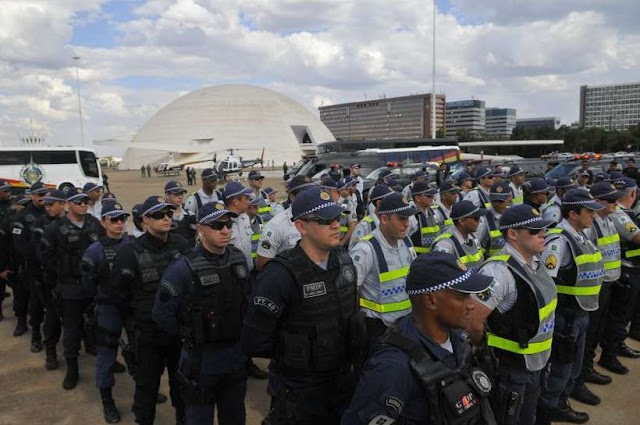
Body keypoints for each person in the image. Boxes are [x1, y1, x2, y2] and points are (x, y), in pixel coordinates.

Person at [242, 187, 362, 424]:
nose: (336, 225)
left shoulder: (345, 262)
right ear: (301, 227)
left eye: (337, 218)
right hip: (299, 391)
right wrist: (297, 351)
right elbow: (254, 339)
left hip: (342, 385)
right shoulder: (280, 275)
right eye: (325, 220)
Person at [342, 251, 497, 425]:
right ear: (431, 300)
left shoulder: (457, 338)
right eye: (462, 296)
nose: (471, 305)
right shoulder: (393, 367)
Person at [153, 202, 250, 425]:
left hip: (235, 357)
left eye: (228, 224)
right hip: (201, 361)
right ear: (201, 228)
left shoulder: (237, 258)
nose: (225, 230)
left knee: (235, 417)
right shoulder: (182, 268)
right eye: (217, 225)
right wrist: (190, 335)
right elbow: (162, 315)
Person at [469, 204, 556, 425]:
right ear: (513, 234)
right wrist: (488, 349)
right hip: (511, 367)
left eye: (543, 229)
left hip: (536, 362)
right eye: (534, 231)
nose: (542, 235)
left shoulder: (534, 262)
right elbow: (471, 322)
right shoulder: (498, 271)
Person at [106, 196, 191, 425]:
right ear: (144, 219)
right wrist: (136, 322)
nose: (165, 218)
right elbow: (118, 294)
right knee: (147, 388)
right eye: (158, 215)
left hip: (179, 332)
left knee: (182, 385)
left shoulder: (182, 245)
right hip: (148, 334)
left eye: (168, 214)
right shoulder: (130, 253)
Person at [538, 190, 605, 424]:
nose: (593, 216)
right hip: (565, 315)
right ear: (573, 213)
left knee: (574, 363)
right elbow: (546, 281)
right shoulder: (558, 242)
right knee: (561, 365)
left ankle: (566, 394)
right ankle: (552, 405)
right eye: (589, 212)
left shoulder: (580, 235)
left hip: (581, 312)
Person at [570, 183, 625, 407]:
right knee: (585, 335)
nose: (615, 204)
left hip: (603, 284)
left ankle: (586, 369)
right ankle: (579, 377)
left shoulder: (607, 221)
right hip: (588, 291)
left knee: (595, 332)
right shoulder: (587, 229)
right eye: (610, 201)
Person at [42, 187, 102, 390]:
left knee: (98, 325)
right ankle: (72, 369)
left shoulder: (94, 224)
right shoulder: (54, 228)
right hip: (70, 288)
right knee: (72, 331)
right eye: (79, 202)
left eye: (86, 201)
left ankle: (99, 353)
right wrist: (62, 275)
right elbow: (46, 258)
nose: (84, 204)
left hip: (93, 285)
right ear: (67, 205)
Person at [80, 202, 130, 423]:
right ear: (103, 222)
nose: (119, 223)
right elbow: (87, 285)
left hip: (132, 308)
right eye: (113, 219)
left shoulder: (133, 244)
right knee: (106, 357)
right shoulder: (94, 250)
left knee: (139, 353)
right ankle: (107, 402)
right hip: (108, 308)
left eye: (122, 219)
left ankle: (145, 392)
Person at [350, 192, 417, 351]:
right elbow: (350, 293)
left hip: (406, 325)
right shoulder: (365, 250)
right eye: (401, 218)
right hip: (379, 331)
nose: (407, 224)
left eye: (407, 218)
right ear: (385, 219)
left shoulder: (406, 242)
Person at [599, 177, 640, 374]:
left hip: (620, 271)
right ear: (633, 194)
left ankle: (615, 347)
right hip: (624, 271)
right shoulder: (619, 215)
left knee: (621, 315)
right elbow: (637, 237)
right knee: (619, 316)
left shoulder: (617, 214)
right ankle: (610, 354)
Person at [11, 181, 48, 338]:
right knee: (32, 301)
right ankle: (34, 335)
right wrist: (38, 257)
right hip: (30, 267)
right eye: (40, 195)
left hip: (50, 266)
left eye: (45, 194)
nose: (43, 198)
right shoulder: (23, 217)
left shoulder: (50, 213)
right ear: (32, 196)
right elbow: (20, 244)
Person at [34, 189, 67, 366]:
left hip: (73, 280)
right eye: (45, 204)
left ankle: (90, 344)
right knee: (52, 317)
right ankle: (51, 351)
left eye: (50, 204)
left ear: (63, 204)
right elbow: (40, 253)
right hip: (52, 279)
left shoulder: (73, 221)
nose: (47, 208)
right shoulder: (41, 224)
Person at [254, 176, 314, 271]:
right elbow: (262, 265)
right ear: (292, 197)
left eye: (313, 192)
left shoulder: (322, 219)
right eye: (305, 194)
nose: (311, 197)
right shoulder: (275, 226)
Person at [432, 200, 486, 270]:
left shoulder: (472, 238)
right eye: (476, 218)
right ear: (462, 221)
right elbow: (438, 272)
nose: (479, 221)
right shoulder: (445, 244)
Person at [348, 184, 394, 249]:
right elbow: (354, 251)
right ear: (379, 203)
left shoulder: (392, 222)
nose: (394, 204)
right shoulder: (364, 227)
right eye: (390, 201)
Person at [475, 181, 511, 259]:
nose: (497, 204)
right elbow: (475, 245)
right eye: (494, 200)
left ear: (509, 198)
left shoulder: (513, 215)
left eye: (501, 201)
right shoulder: (483, 219)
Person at [409, 182, 440, 254]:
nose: (432, 198)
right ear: (418, 198)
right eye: (429, 196)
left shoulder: (432, 212)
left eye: (433, 195)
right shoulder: (411, 216)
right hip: (419, 260)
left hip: (433, 258)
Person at [165, 180, 198, 246]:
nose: (180, 197)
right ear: (167, 195)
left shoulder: (190, 215)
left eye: (181, 194)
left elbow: (194, 237)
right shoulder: (161, 216)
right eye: (176, 194)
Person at [0, 180, 14, 320]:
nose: (8, 192)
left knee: (12, 275)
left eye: (9, 189)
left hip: (10, 245)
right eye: (5, 190)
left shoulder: (13, 205)